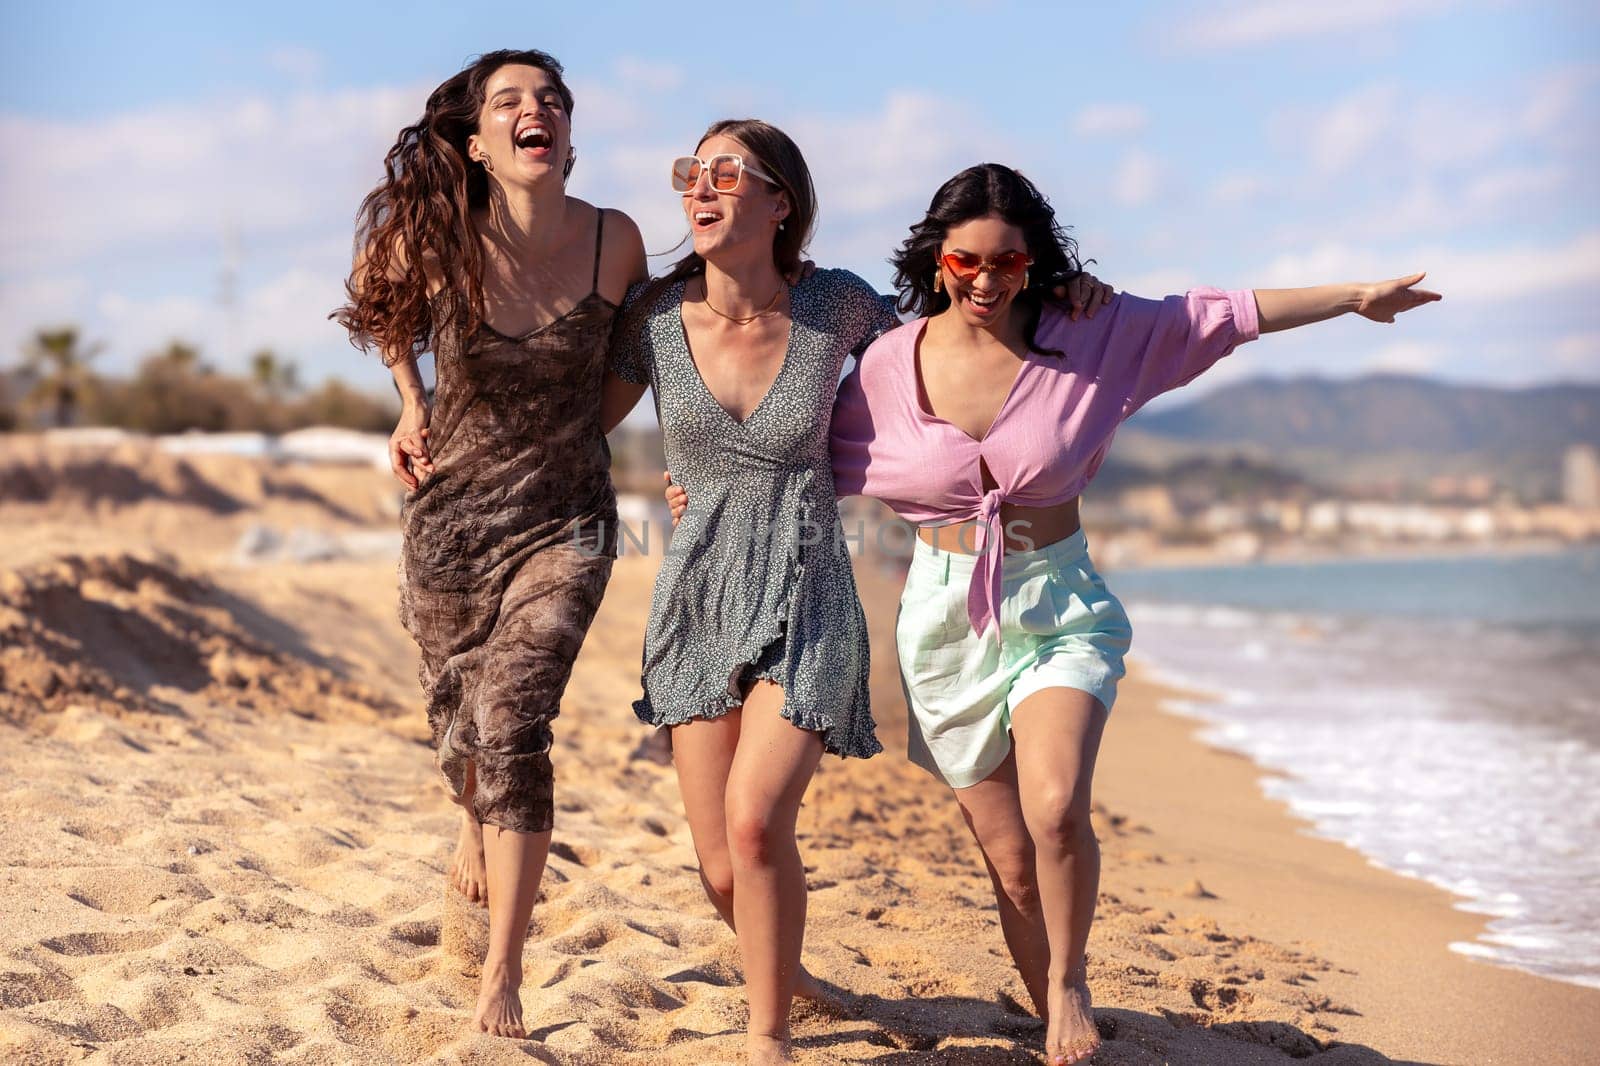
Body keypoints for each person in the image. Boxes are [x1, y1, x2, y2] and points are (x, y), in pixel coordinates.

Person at [670, 162, 1440, 1064]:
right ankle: (1050, 1016)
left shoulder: (1093, 332)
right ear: (937, 260)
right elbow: (789, 463)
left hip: (1060, 602)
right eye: (966, 263)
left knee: (1056, 805)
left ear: (1034, 262)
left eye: (1007, 262)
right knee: (1010, 864)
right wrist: (704, 496)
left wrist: (1354, 297)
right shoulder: (885, 365)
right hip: (944, 623)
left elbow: (1221, 315)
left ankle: (1070, 985)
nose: (987, 282)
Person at [602, 124, 1107, 1065]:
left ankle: (768, 1036)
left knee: (757, 822)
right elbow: (575, 423)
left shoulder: (837, 308)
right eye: (689, 175)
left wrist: (1064, 298)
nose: (698, 190)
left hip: (806, 592)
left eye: (724, 174)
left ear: (780, 201)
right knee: (721, 865)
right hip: (696, 593)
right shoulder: (653, 320)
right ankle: (786, 976)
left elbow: (959, 333)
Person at [333, 49, 648, 1039]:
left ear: (566, 132)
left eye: (550, 100)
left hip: (568, 519)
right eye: (509, 102)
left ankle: (502, 972)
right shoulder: (444, 237)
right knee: (458, 726)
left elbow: (639, 358)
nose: (534, 111)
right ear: (475, 141)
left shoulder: (614, 239)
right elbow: (376, 293)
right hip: (453, 521)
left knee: (511, 724)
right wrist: (410, 399)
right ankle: (470, 813)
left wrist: (575, 437)